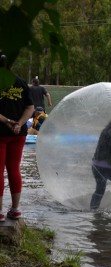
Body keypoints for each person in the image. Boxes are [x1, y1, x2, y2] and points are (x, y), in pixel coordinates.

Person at [0, 51, 35, 221]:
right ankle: (16, 209)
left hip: (1, 134)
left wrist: (7, 121)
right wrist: (19, 124)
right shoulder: (20, 82)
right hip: (18, 134)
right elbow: (30, 108)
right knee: (14, 170)